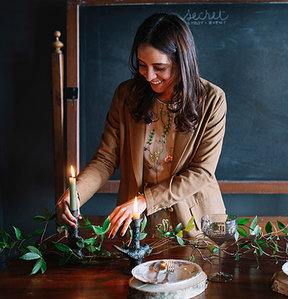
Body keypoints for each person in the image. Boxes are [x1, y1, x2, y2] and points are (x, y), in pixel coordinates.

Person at [56, 13, 227, 238]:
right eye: (142, 65)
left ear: (181, 61)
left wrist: (144, 200)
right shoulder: (127, 95)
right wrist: (77, 193)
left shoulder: (212, 99)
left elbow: (201, 173)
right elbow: (106, 159)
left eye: (159, 67)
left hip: (197, 224)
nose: (149, 76)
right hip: (141, 226)